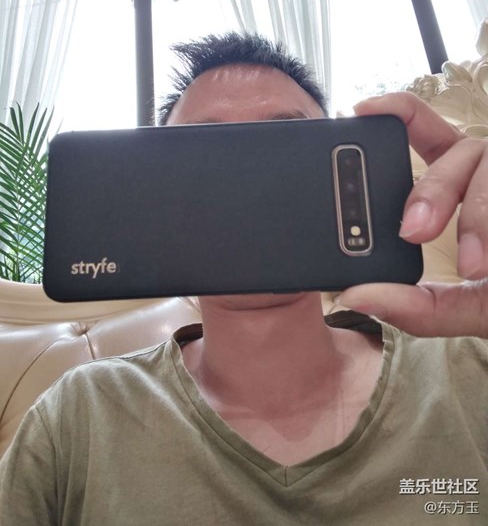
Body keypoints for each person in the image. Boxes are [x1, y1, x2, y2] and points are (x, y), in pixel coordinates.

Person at [1, 32, 487, 524]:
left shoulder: (468, 370)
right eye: (205, 155)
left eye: (284, 144)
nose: (248, 187)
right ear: (164, 203)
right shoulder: (80, 413)